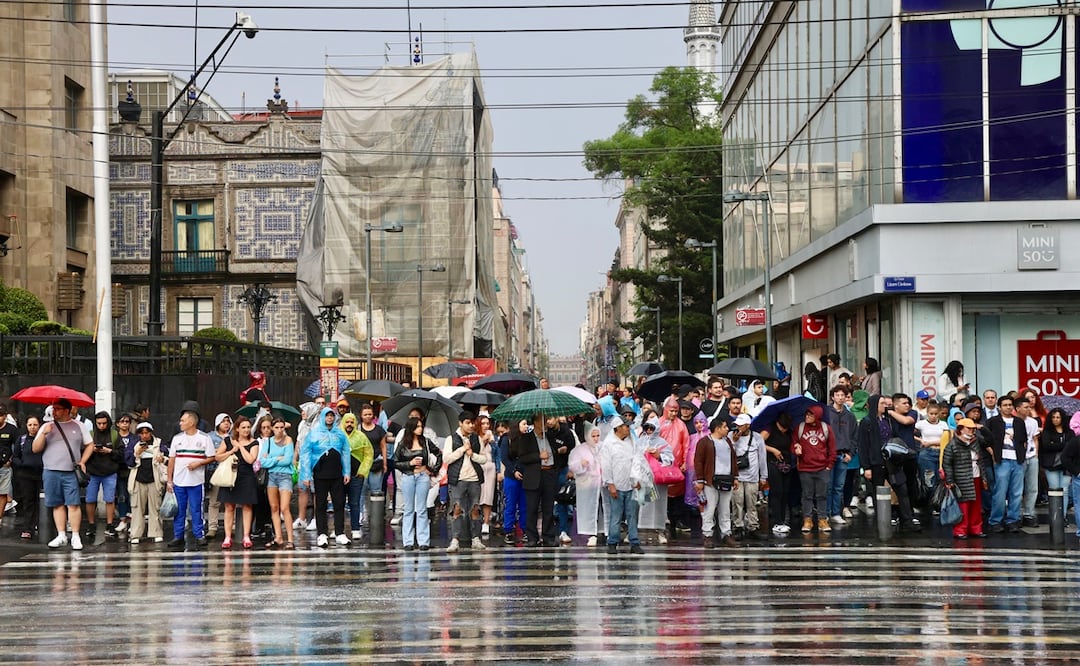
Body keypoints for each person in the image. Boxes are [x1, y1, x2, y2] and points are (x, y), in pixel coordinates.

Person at [33, 398, 91, 550]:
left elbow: (89, 444)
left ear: (67, 410)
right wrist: (43, 434)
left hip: (71, 471)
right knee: (56, 504)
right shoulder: (47, 426)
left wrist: (82, 461)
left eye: (57, 408)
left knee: (73, 504)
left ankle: (76, 536)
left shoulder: (79, 426)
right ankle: (61, 535)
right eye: (53, 408)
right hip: (50, 470)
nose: (54, 411)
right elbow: (35, 448)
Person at [166, 407, 216, 550]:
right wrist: (170, 480)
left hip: (196, 481)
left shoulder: (205, 438)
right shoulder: (177, 439)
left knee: (196, 509)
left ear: (192, 422)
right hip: (179, 481)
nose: (180, 423)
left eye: (183, 420)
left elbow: (212, 457)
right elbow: (171, 461)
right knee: (179, 510)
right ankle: (178, 535)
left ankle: (199, 534)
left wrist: (199, 463)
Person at [300, 407, 351, 547]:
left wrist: (346, 472)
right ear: (323, 417)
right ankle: (322, 533)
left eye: (332, 416)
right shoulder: (314, 434)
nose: (330, 418)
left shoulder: (340, 434)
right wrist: (306, 474)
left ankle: (340, 532)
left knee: (339, 503)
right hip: (320, 474)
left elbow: (346, 452)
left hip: (337, 474)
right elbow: (306, 453)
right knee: (321, 504)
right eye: (327, 416)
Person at [393, 415, 441, 551]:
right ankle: (408, 541)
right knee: (408, 509)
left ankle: (423, 541)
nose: (420, 429)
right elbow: (395, 462)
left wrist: (432, 469)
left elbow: (438, 453)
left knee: (421, 509)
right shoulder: (403, 444)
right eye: (418, 426)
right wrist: (410, 463)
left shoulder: (425, 441)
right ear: (411, 428)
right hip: (408, 476)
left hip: (423, 476)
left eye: (421, 426)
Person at [444, 411, 488, 552]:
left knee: (475, 509)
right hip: (458, 479)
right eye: (467, 423)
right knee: (457, 509)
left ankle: (476, 538)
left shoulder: (477, 438)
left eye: (472, 423)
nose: (471, 426)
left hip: (474, 479)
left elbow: (484, 459)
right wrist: (462, 449)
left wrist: (472, 455)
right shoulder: (451, 439)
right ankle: (455, 540)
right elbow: (447, 459)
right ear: (460, 423)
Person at [600, 416, 645, 555]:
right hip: (617, 484)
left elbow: (638, 459)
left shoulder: (632, 441)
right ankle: (612, 542)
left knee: (633, 515)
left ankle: (634, 541)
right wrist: (610, 484)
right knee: (616, 515)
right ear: (618, 427)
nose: (628, 428)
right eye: (626, 426)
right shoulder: (608, 444)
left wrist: (637, 478)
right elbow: (606, 465)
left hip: (631, 484)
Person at [985, 395, 1028, 533]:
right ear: (999, 407)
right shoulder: (993, 421)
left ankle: (1013, 520)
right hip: (1001, 459)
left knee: (1016, 492)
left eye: (1010, 405)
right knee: (1000, 491)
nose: (1008, 407)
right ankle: (995, 520)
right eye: (1005, 405)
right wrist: (993, 454)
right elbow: (986, 440)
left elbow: (1023, 440)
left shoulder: (1019, 422)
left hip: (1017, 459)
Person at [940, 418, 988, 539]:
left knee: (976, 505)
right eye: (968, 428)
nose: (971, 431)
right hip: (960, 478)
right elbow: (947, 463)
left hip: (976, 476)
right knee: (963, 505)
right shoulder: (953, 444)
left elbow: (988, 443)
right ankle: (960, 530)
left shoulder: (976, 441)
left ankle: (976, 528)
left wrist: (982, 429)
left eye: (973, 429)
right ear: (961, 429)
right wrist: (949, 480)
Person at [81, 411, 125, 542]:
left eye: (104, 423)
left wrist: (109, 451)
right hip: (92, 471)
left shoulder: (114, 435)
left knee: (109, 499)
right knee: (90, 499)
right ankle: (91, 524)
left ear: (108, 423)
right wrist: (91, 450)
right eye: (99, 423)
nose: (101, 426)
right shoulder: (90, 435)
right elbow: (81, 450)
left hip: (110, 471)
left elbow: (121, 453)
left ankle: (110, 524)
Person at [694, 417, 737, 548]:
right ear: (717, 428)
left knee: (725, 508)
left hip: (726, 479)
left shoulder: (728, 441)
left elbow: (733, 459)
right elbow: (698, 461)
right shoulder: (704, 442)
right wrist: (700, 480)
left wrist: (735, 477)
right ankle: (707, 534)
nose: (727, 429)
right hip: (710, 481)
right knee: (710, 508)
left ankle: (726, 534)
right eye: (725, 427)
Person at [793, 405, 836, 533]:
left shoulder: (826, 428)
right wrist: (796, 448)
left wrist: (829, 465)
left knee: (822, 495)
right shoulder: (800, 428)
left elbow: (832, 448)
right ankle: (807, 519)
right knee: (807, 495)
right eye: (807, 415)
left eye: (811, 415)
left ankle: (822, 519)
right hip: (805, 468)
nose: (808, 417)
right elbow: (794, 442)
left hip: (822, 467)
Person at [259, 417, 296, 549]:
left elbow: (287, 460)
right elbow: (262, 461)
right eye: (277, 427)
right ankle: (278, 537)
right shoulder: (268, 442)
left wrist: (271, 460)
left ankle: (290, 539)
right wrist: (276, 459)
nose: (279, 430)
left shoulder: (288, 440)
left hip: (285, 476)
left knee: (285, 507)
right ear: (272, 428)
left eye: (282, 427)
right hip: (272, 476)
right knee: (274, 507)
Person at [125, 422, 165, 544]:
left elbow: (168, 457)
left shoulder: (159, 443)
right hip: (138, 479)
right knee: (137, 508)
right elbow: (129, 462)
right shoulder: (133, 444)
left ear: (151, 432)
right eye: (141, 433)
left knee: (155, 507)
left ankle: (156, 532)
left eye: (146, 432)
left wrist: (162, 458)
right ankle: (135, 534)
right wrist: (137, 454)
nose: (144, 435)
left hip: (154, 479)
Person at [730, 413, 768, 539]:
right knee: (737, 502)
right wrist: (734, 442)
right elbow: (727, 453)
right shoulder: (731, 436)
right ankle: (737, 526)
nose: (738, 427)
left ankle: (753, 526)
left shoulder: (757, 438)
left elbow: (762, 457)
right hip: (737, 476)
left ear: (747, 425)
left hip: (752, 476)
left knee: (752, 503)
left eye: (741, 425)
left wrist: (763, 476)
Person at [340, 412, 373, 542]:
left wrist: (362, 472)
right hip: (339, 476)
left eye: (351, 422)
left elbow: (369, 454)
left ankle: (355, 528)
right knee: (339, 503)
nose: (349, 424)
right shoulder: (337, 436)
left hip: (356, 476)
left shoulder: (361, 437)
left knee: (354, 503)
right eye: (347, 422)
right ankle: (339, 530)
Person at [568, 425, 603, 546]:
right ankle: (590, 532)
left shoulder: (602, 447)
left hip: (602, 484)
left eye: (598, 435)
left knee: (601, 508)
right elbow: (573, 465)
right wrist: (581, 464)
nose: (596, 439)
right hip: (587, 485)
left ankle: (602, 530)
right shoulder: (580, 450)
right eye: (593, 436)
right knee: (589, 508)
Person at [826, 386, 857, 526]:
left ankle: (836, 513)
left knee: (839, 486)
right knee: (828, 486)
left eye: (842, 395)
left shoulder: (850, 416)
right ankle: (825, 514)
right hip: (828, 455)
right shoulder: (826, 413)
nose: (840, 397)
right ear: (832, 397)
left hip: (844, 454)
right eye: (837, 395)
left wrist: (850, 453)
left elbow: (854, 437)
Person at [762, 412, 794, 536]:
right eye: (782, 428)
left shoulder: (789, 431)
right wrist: (772, 450)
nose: (784, 430)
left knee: (785, 492)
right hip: (772, 463)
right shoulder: (769, 429)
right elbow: (759, 442)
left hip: (786, 463)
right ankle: (777, 521)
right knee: (777, 491)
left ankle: (782, 519)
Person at [12, 415, 43, 540]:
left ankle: (41, 526)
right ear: (26, 426)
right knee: (28, 501)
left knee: (41, 502)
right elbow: (15, 457)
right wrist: (22, 464)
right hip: (25, 475)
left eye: (35, 425)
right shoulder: (22, 439)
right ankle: (28, 528)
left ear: (39, 425)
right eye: (30, 425)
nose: (33, 427)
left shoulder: (43, 439)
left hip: (41, 474)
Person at [500, 419, 530, 545]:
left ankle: (524, 530)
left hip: (525, 476)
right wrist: (514, 471)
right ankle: (508, 530)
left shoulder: (528, 439)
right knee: (510, 504)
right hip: (511, 476)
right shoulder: (507, 439)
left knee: (524, 506)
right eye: (523, 424)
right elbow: (504, 458)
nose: (526, 426)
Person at [1040, 408, 1072, 519]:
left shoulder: (1069, 432)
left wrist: (1055, 444)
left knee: (1065, 490)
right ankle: (1055, 517)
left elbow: (1071, 447)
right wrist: (1063, 445)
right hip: (1051, 465)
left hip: (1066, 466)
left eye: (1058, 417)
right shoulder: (1047, 432)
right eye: (1053, 417)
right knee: (1054, 489)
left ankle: (1062, 517)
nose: (1055, 419)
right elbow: (1047, 446)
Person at [1015, 397, 1042, 528]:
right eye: (1025, 407)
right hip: (1018, 458)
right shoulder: (1013, 422)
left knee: (1032, 488)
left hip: (1032, 456)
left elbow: (1035, 438)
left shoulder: (1033, 422)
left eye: (1029, 407)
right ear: (1018, 408)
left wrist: (1036, 454)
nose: (1028, 410)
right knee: (1017, 488)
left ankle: (1029, 514)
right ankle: (1017, 514)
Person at [915, 401, 948, 503]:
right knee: (929, 480)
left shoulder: (943, 424)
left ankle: (937, 502)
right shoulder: (921, 424)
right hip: (927, 454)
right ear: (927, 413)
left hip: (941, 453)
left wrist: (930, 442)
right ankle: (927, 502)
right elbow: (909, 432)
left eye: (936, 414)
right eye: (931, 414)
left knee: (940, 479)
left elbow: (946, 439)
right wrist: (920, 440)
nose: (933, 416)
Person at [206, 413, 232, 538]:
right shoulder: (210, 437)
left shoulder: (234, 436)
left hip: (231, 472)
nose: (226, 423)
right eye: (223, 421)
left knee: (231, 501)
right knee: (214, 501)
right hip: (215, 471)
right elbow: (208, 454)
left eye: (228, 421)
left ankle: (232, 526)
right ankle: (212, 527)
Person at [475, 415, 498, 537]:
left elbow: (497, 453)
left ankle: (486, 522)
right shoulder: (475, 437)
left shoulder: (492, 436)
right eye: (483, 423)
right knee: (478, 494)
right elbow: (475, 451)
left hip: (490, 467)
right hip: (478, 467)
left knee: (488, 495)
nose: (486, 426)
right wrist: (484, 440)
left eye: (487, 423)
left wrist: (492, 441)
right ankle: (476, 520)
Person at [0, 403, 16, 527]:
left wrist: (10, 460)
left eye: (0, 415)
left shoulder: (11, 429)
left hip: (4, 466)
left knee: (3, 493)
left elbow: (17, 447)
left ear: (5, 416)